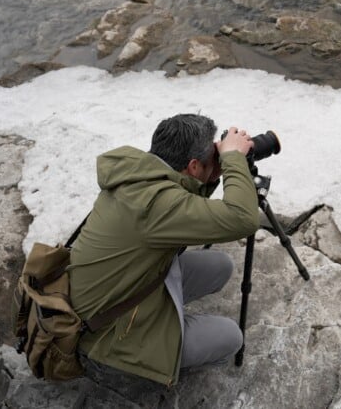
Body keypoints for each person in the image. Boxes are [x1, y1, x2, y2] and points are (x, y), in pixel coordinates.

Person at [68, 113, 260, 386]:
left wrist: (211, 175)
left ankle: (167, 321)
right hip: (105, 338)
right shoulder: (157, 205)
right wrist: (233, 161)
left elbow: (179, 204)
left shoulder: (139, 174)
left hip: (114, 293)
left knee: (220, 267)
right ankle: (152, 367)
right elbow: (243, 218)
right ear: (193, 166)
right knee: (231, 337)